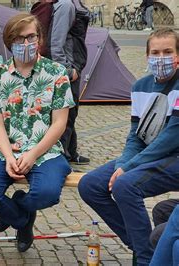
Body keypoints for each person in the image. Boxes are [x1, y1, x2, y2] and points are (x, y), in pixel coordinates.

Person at [78, 28, 179, 265]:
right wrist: (123, 163)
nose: (161, 57)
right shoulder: (140, 86)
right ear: (147, 56)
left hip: (174, 157)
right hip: (147, 156)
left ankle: (144, 258)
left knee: (125, 185)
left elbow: (172, 137)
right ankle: (144, 246)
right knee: (90, 185)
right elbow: (136, 135)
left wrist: (128, 168)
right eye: (155, 52)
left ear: (178, 55)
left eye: (168, 52)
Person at [0, 14, 74, 253]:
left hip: (46, 151)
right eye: (19, 38)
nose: (26, 43)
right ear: (10, 42)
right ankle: (22, 221)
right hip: (7, 150)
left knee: (48, 193)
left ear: (39, 38)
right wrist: (9, 157)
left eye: (31, 36)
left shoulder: (56, 73)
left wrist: (32, 155)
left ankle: (19, 205)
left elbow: (59, 123)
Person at [48, 0, 90, 165]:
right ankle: (61, 158)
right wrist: (67, 69)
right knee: (65, 115)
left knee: (72, 113)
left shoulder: (73, 4)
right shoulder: (66, 5)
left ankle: (71, 151)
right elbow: (55, 43)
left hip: (74, 67)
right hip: (67, 70)